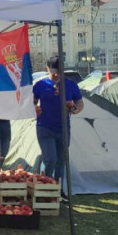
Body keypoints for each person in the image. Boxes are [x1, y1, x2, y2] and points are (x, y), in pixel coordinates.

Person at [32, 55, 83, 194]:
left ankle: (58, 189)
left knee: (61, 161)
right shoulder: (40, 85)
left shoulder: (71, 85)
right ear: (47, 68)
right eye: (53, 71)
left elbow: (79, 102)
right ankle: (46, 187)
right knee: (50, 159)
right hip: (44, 127)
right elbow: (32, 101)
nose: (55, 75)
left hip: (63, 129)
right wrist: (34, 108)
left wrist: (74, 108)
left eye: (58, 71)